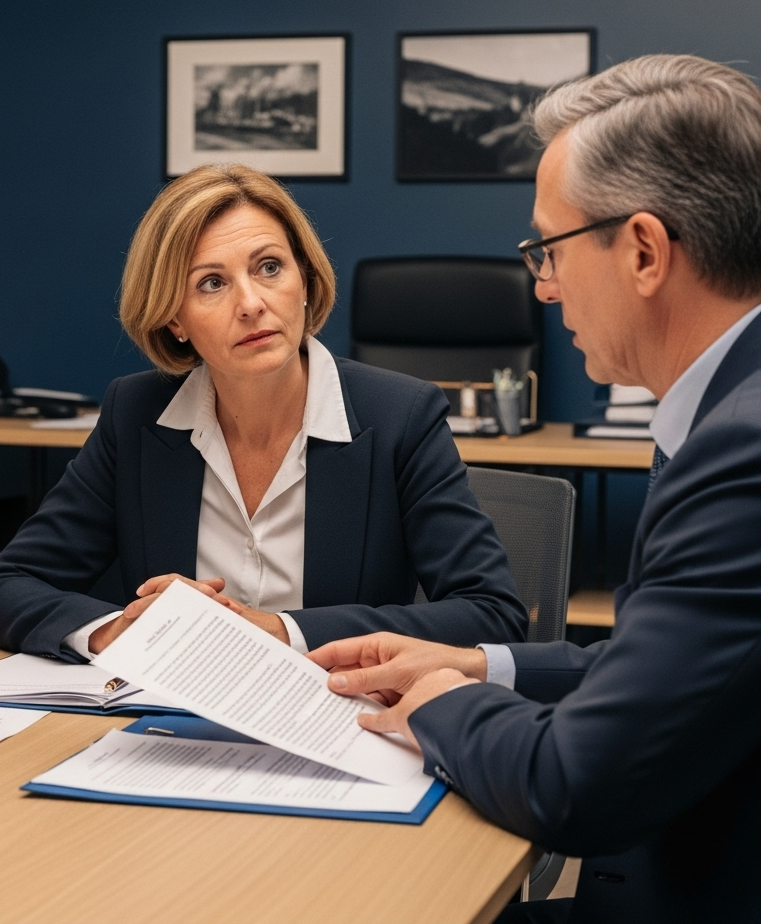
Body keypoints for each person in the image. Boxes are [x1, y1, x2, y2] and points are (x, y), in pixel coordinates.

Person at [308, 55, 761, 924]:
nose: (543, 286)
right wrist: (482, 664)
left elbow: (575, 786)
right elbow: (681, 672)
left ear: (642, 251)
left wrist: (446, 704)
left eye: (547, 250)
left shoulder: (741, 448)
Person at [0, 164, 527, 661]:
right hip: (170, 729)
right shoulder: (136, 415)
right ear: (174, 320)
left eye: (269, 267)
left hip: (340, 723)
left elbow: (491, 614)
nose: (251, 303)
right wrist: (110, 631)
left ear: (305, 282)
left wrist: (279, 631)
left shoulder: (401, 416)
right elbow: (8, 587)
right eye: (211, 283)